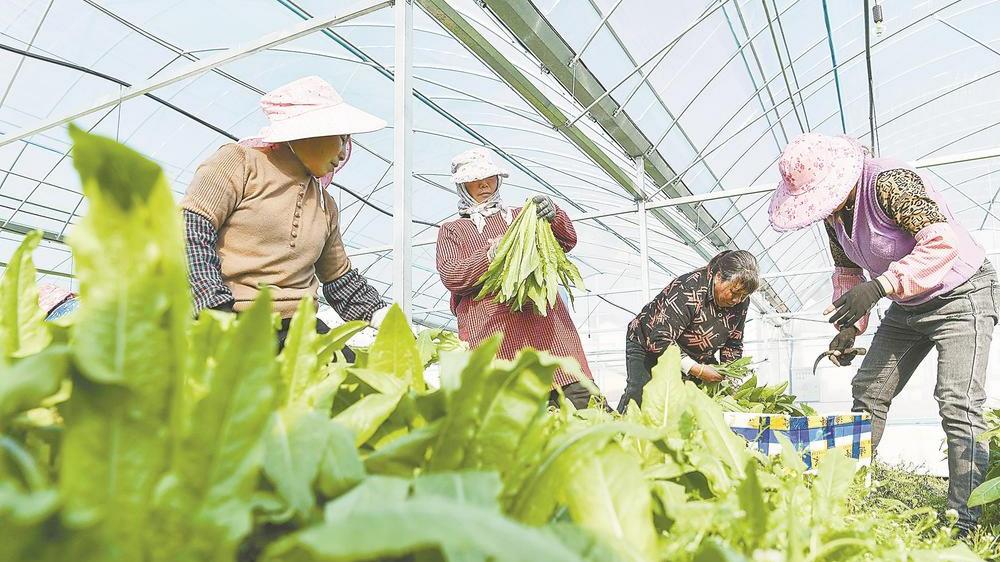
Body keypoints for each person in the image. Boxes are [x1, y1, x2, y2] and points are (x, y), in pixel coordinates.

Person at [768, 132, 997, 532]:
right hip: (908, 302)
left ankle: (965, 520)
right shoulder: (834, 214)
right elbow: (847, 271)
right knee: (870, 391)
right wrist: (848, 327)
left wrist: (880, 287)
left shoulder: (891, 182)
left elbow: (943, 243)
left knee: (957, 402)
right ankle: (851, 494)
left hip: (961, 294)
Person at [181, 76, 389, 348]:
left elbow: (340, 278)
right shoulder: (240, 162)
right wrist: (213, 307)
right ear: (311, 130)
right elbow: (190, 230)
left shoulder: (326, 205)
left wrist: (382, 314)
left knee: (347, 380)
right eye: (342, 138)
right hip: (234, 315)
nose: (344, 152)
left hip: (299, 328)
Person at [435, 147, 605, 409]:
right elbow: (452, 275)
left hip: (551, 338)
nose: (483, 185)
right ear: (462, 187)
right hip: (496, 342)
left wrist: (554, 214)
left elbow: (567, 240)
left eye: (489, 178)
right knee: (517, 431)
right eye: (474, 181)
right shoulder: (453, 230)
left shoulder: (522, 216)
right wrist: (490, 255)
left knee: (590, 414)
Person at [617, 250, 759, 413]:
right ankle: (617, 432)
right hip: (649, 343)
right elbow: (660, 338)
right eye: (734, 293)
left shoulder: (741, 302)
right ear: (718, 277)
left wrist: (731, 377)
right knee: (641, 396)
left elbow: (733, 343)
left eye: (743, 296)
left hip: (696, 355)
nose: (737, 300)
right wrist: (697, 370)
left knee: (693, 405)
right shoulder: (689, 288)